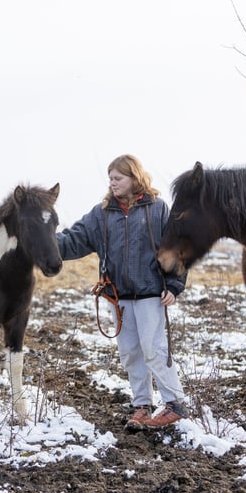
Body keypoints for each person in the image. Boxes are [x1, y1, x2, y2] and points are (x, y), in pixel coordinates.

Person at [57, 154, 190, 431]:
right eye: (110, 178)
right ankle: (142, 406)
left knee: (153, 350)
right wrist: (42, 242)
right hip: (117, 297)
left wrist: (175, 286)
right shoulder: (101, 213)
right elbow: (73, 240)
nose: (112, 183)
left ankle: (175, 403)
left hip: (152, 293)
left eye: (118, 178)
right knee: (130, 352)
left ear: (134, 178)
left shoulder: (157, 209)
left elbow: (176, 250)